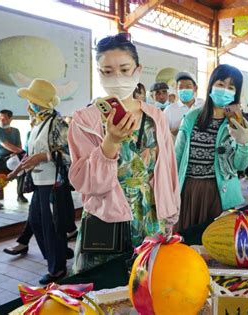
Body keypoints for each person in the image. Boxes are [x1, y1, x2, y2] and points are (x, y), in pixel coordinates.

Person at [68, 33, 180, 273]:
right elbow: (86, 183)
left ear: (137, 71)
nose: (116, 77)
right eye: (107, 71)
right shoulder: (84, 121)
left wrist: (170, 215)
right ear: (98, 73)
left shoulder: (156, 117)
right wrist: (110, 142)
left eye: (124, 69)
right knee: (104, 290)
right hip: (106, 221)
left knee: (148, 284)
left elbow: (168, 170)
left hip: (151, 215)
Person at [175, 64, 248, 233]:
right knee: (187, 240)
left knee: (215, 244)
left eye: (231, 87)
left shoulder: (239, 124)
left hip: (219, 193)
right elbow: (177, 157)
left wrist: (244, 142)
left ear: (236, 93)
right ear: (211, 86)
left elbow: (241, 165)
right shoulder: (191, 118)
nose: (224, 90)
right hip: (189, 191)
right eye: (220, 84)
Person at [11, 78, 70, 284]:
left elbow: (69, 154)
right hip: (38, 181)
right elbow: (32, 152)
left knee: (51, 226)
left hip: (52, 182)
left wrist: (43, 157)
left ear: (42, 102)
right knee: (36, 221)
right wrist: (19, 168)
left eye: (32, 100)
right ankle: (58, 254)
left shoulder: (57, 123)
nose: (30, 104)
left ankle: (57, 268)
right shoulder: (38, 123)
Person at [0, 109, 28, 203]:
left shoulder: (16, 131)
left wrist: (21, 154)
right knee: (21, 163)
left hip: (13, 157)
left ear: (11, 119)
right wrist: (24, 154)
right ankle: (20, 194)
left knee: (22, 164)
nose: (1, 120)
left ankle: (20, 194)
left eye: (4, 118)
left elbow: (19, 146)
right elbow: (7, 145)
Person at [164, 71, 203, 136]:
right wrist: (180, 129)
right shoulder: (169, 110)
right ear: (176, 89)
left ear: (195, 88)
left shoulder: (202, 105)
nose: (184, 90)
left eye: (188, 87)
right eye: (181, 87)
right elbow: (162, 135)